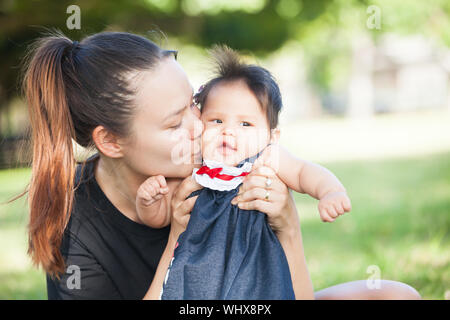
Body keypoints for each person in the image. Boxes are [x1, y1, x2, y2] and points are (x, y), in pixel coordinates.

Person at [19, 30, 420, 300]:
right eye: (175, 123)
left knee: (393, 295)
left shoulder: (228, 170)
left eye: (195, 103)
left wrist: (287, 226)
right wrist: (176, 233)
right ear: (110, 141)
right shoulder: (76, 227)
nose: (201, 127)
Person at [137, 46, 352, 299]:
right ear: (200, 123)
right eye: (216, 121)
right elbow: (162, 217)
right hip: (202, 277)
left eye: (245, 124)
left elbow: (305, 172)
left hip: (257, 273)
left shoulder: (266, 157)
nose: (228, 131)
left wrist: (330, 191)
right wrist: (147, 204)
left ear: (272, 136)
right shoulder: (198, 167)